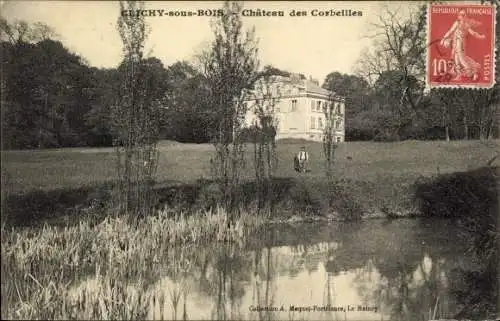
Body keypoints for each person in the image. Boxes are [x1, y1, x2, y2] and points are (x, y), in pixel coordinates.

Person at [439, 9, 486, 81]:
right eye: (459, 14)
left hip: (460, 43)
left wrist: (481, 37)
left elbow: (473, 33)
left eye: (461, 15)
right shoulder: (457, 23)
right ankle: (459, 75)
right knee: (456, 58)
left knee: (461, 58)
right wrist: (444, 38)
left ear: (464, 16)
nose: (459, 16)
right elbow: (450, 31)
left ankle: (473, 72)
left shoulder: (465, 24)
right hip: (456, 42)